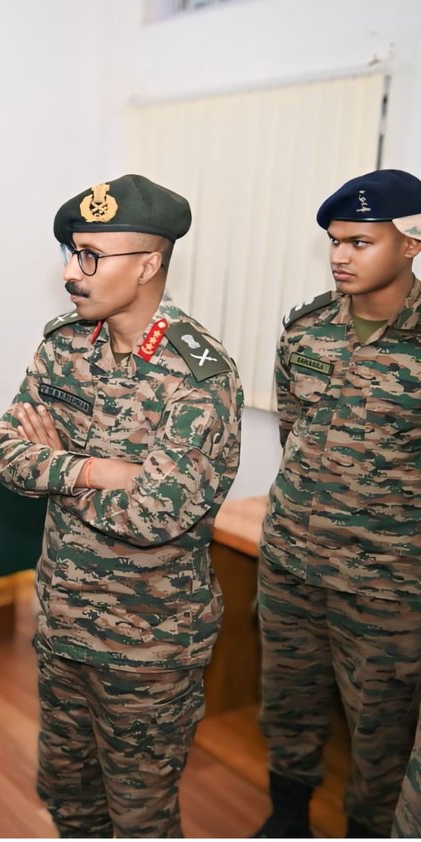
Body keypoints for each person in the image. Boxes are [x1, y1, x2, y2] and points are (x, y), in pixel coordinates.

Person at [0, 174, 243, 837]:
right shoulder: (64, 343)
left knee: (140, 820)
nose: (72, 272)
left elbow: (155, 516)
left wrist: (57, 473)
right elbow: (4, 453)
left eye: (91, 257)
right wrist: (101, 470)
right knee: (69, 800)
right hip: (63, 623)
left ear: (149, 264)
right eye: (72, 252)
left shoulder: (198, 373)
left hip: (149, 649)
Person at [254, 169, 421, 838]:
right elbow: (294, 431)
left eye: (360, 241)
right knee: (287, 702)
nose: (340, 256)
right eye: (334, 241)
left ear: (410, 245)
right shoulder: (307, 328)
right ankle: (288, 816)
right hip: (293, 561)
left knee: (379, 726)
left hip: (386, 583)